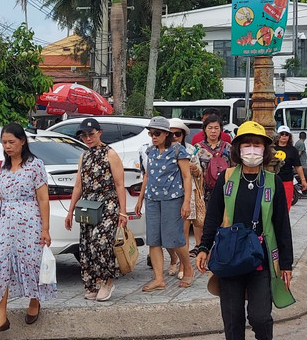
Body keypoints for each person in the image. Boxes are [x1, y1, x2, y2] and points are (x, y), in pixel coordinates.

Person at [196, 121, 295, 340]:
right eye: (247, 144)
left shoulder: (273, 182)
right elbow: (213, 216)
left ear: (265, 149)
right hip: (230, 258)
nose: (252, 149)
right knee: (232, 319)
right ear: (238, 149)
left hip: (260, 258)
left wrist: (286, 263)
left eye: (257, 144)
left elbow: (282, 224)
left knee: (260, 316)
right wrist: (203, 247)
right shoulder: (227, 179)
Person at [0, 124, 54, 335]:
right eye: (4, 142)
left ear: (22, 141)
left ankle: (34, 301)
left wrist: (45, 229)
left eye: (11, 142)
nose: (7, 146)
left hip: (30, 221)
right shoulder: (2, 167)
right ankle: (1, 318)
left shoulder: (35, 165)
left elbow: (43, 199)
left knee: (31, 262)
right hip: (4, 222)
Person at [65, 117, 128, 302]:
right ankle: (93, 282)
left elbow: (120, 184)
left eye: (91, 134)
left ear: (99, 132)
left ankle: (107, 281)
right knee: (86, 245)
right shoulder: (84, 156)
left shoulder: (110, 154)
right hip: (88, 205)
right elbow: (78, 185)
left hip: (108, 203)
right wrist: (70, 210)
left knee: (101, 241)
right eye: (84, 135)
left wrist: (123, 212)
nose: (88, 138)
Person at [135, 115, 193, 290]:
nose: (153, 137)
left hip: (172, 199)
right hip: (152, 199)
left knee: (174, 238)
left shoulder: (177, 150)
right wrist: (140, 199)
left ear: (166, 134)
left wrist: (186, 202)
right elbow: (147, 176)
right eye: (151, 133)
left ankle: (187, 268)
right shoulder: (150, 151)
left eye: (157, 133)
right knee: (153, 240)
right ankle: (158, 279)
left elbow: (186, 176)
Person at [172, 119, 205, 275]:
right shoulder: (163, 151)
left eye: (177, 134)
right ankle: (174, 259)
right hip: (169, 194)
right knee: (170, 233)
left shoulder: (191, 150)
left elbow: (199, 173)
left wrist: (193, 168)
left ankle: (183, 266)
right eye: (170, 134)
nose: (174, 137)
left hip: (187, 193)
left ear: (183, 135)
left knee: (183, 232)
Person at [273, 126, 307, 208]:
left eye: (286, 134)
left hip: (287, 180)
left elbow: (298, 166)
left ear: (289, 136)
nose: (284, 136)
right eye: (282, 134)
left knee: (286, 204)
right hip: (273, 180)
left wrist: (303, 180)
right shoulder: (272, 148)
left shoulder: (293, 150)